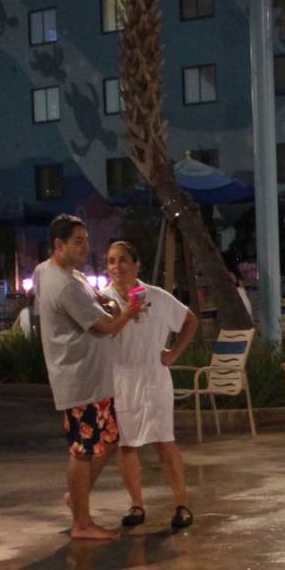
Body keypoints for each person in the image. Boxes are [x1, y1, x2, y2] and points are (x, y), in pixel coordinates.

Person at [35, 214, 132, 541]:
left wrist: (103, 304)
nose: (85, 247)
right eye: (78, 241)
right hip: (81, 380)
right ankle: (82, 522)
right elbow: (106, 327)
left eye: (86, 241)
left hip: (87, 378)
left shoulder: (49, 271)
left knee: (105, 440)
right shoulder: (64, 285)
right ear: (58, 245)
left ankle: (77, 500)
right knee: (84, 448)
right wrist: (129, 312)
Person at [103, 239, 196, 530]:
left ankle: (181, 504)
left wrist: (173, 353)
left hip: (154, 376)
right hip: (121, 378)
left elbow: (190, 320)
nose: (117, 266)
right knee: (127, 446)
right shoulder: (102, 300)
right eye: (111, 261)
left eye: (122, 260)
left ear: (136, 264)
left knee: (164, 442)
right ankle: (137, 505)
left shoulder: (157, 297)